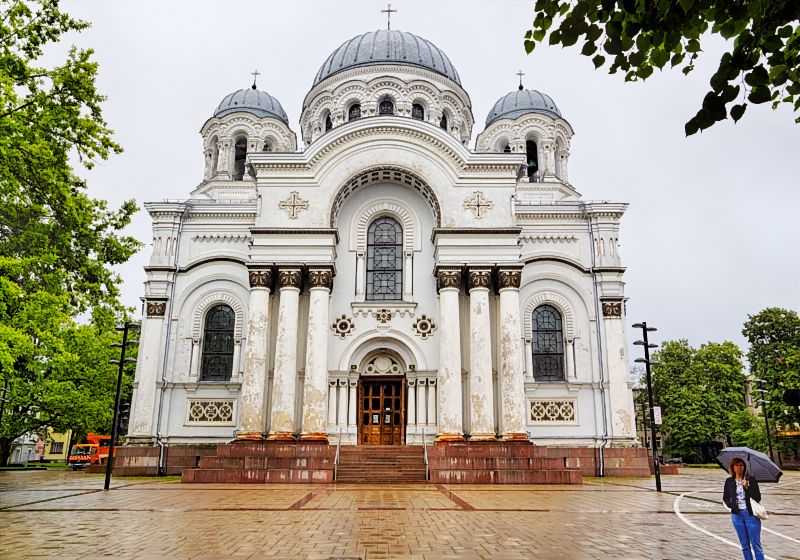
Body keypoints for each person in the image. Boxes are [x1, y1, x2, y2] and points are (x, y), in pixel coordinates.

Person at [723, 458, 764, 560]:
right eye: (736, 465)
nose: (738, 467)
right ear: (732, 467)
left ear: (744, 467)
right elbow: (725, 497)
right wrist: (732, 505)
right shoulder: (729, 481)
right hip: (737, 516)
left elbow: (757, 498)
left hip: (750, 515)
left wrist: (747, 488)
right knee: (745, 546)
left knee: (756, 545)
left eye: (741, 465)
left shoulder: (751, 480)